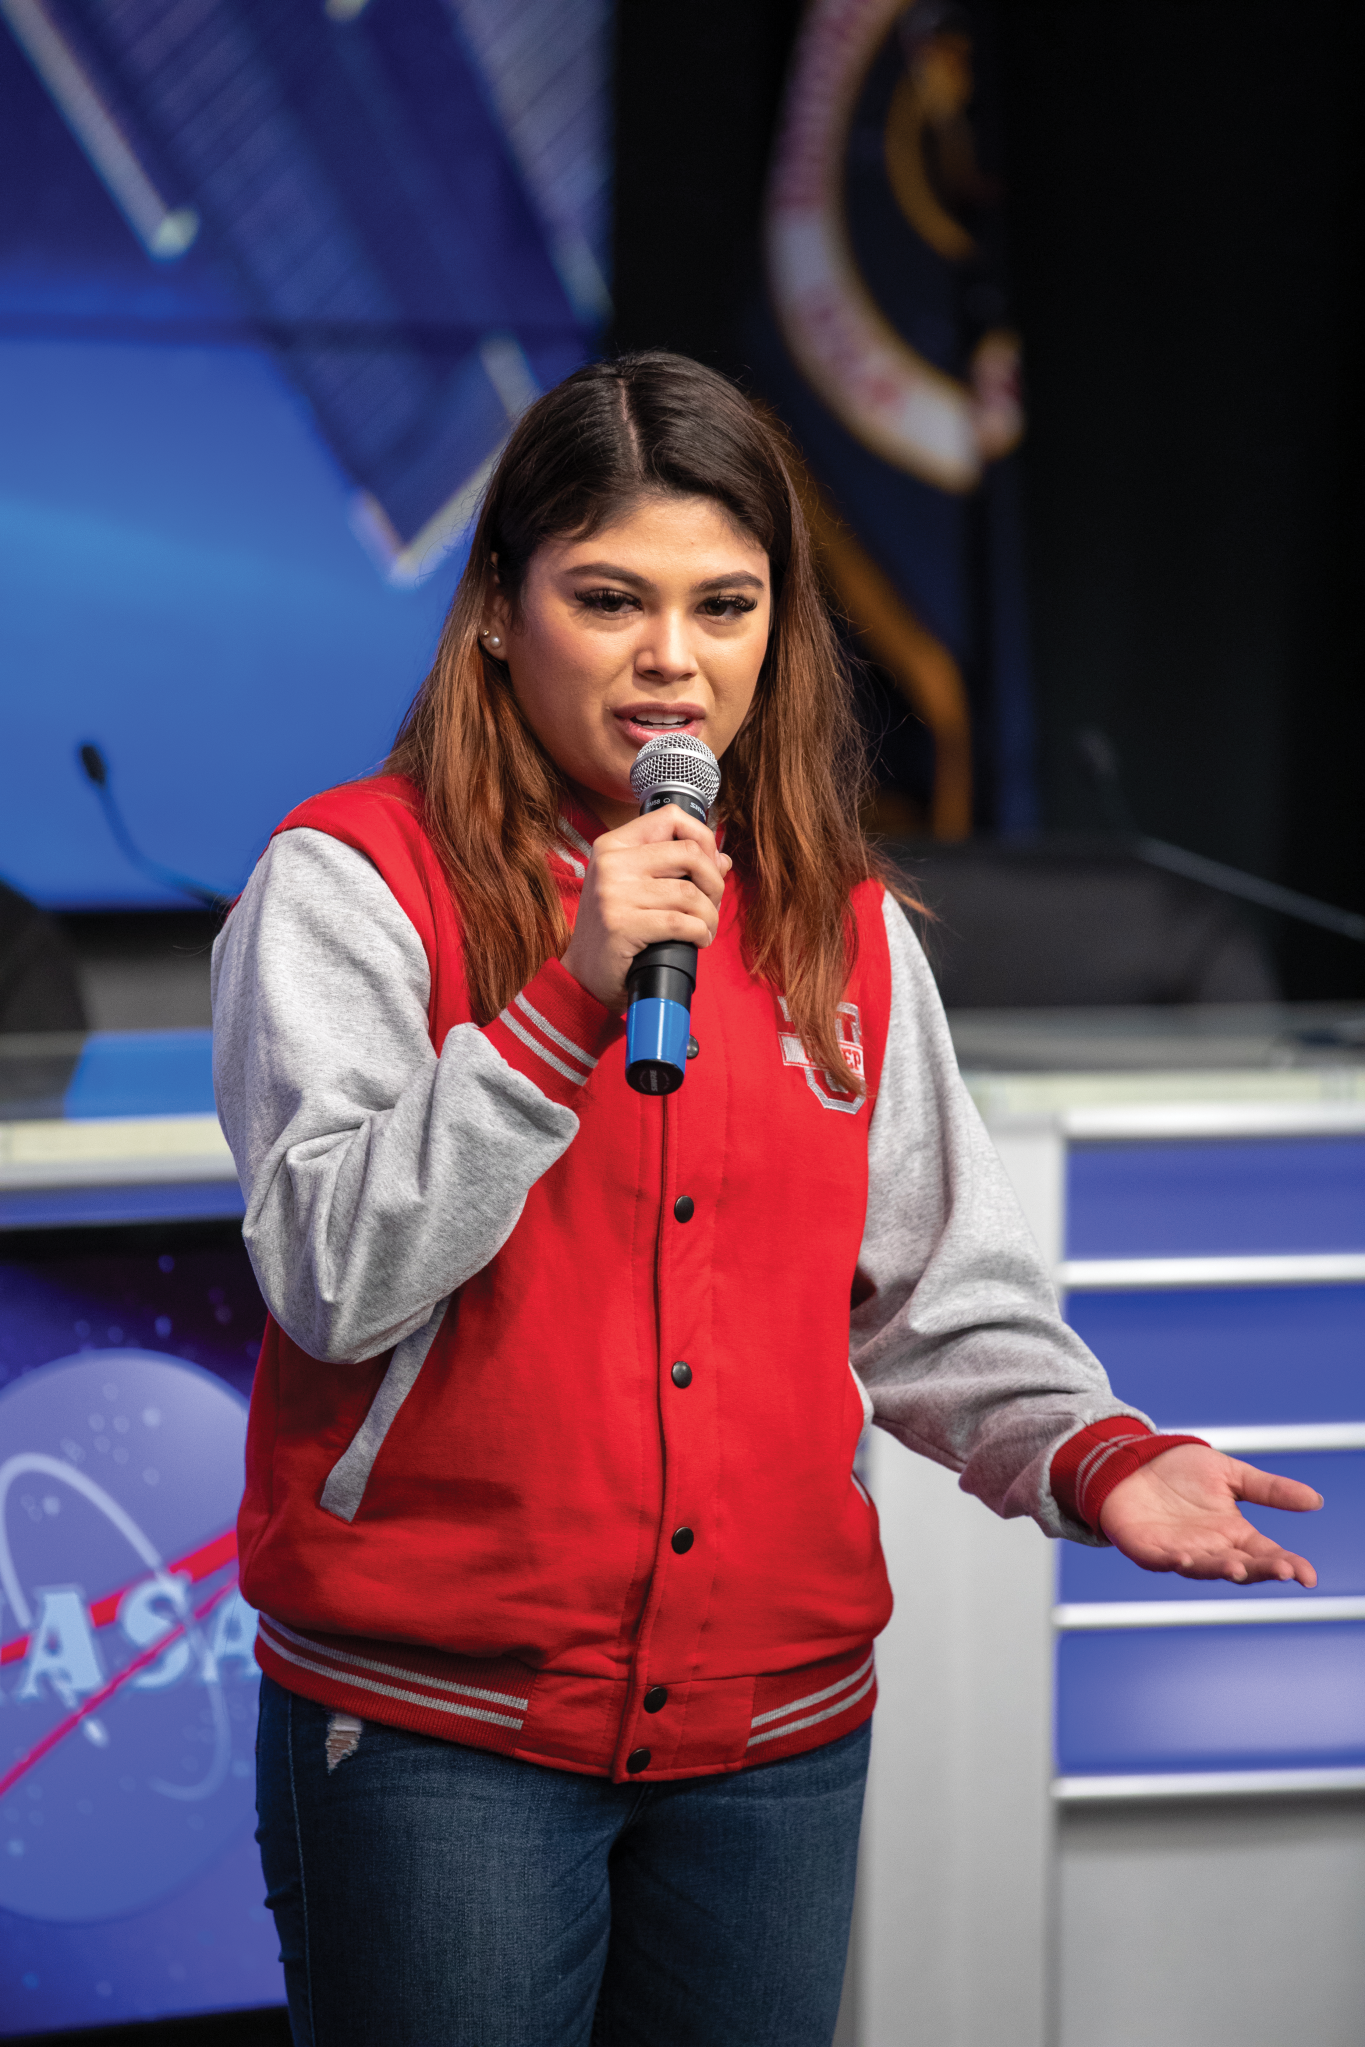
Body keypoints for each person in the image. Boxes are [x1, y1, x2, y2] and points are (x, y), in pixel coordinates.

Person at [211, 352, 1319, 2047]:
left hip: (775, 1746)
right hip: (442, 1738)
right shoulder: (349, 882)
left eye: (725, 605)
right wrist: (561, 1003)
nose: (675, 659)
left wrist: (1101, 1457)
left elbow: (937, 1291)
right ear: (499, 613)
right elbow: (331, 1276)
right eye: (609, 598)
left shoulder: (841, 923)